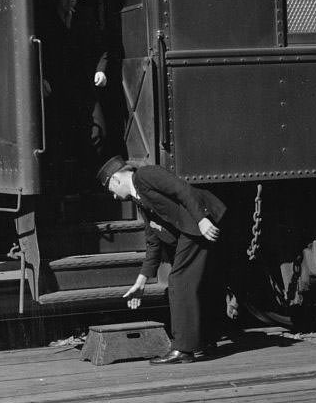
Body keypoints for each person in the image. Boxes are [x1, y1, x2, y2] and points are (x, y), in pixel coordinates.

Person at [97, 156, 227, 364]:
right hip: (192, 228)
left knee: (179, 281)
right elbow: (153, 244)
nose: (113, 196)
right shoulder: (141, 202)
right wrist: (140, 283)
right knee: (194, 281)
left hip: (198, 223)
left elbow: (183, 189)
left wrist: (202, 220)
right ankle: (203, 341)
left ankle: (183, 349)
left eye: (110, 190)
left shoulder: (146, 176)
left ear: (115, 180)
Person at [40, 0, 108, 190]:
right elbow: (32, 52)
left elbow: (101, 49)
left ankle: (91, 187)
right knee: (57, 139)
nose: (73, 2)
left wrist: (101, 70)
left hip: (83, 88)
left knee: (97, 134)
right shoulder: (44, 20)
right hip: (56, 90)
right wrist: (39, 78)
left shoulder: (85, 18)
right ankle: (61, 192)